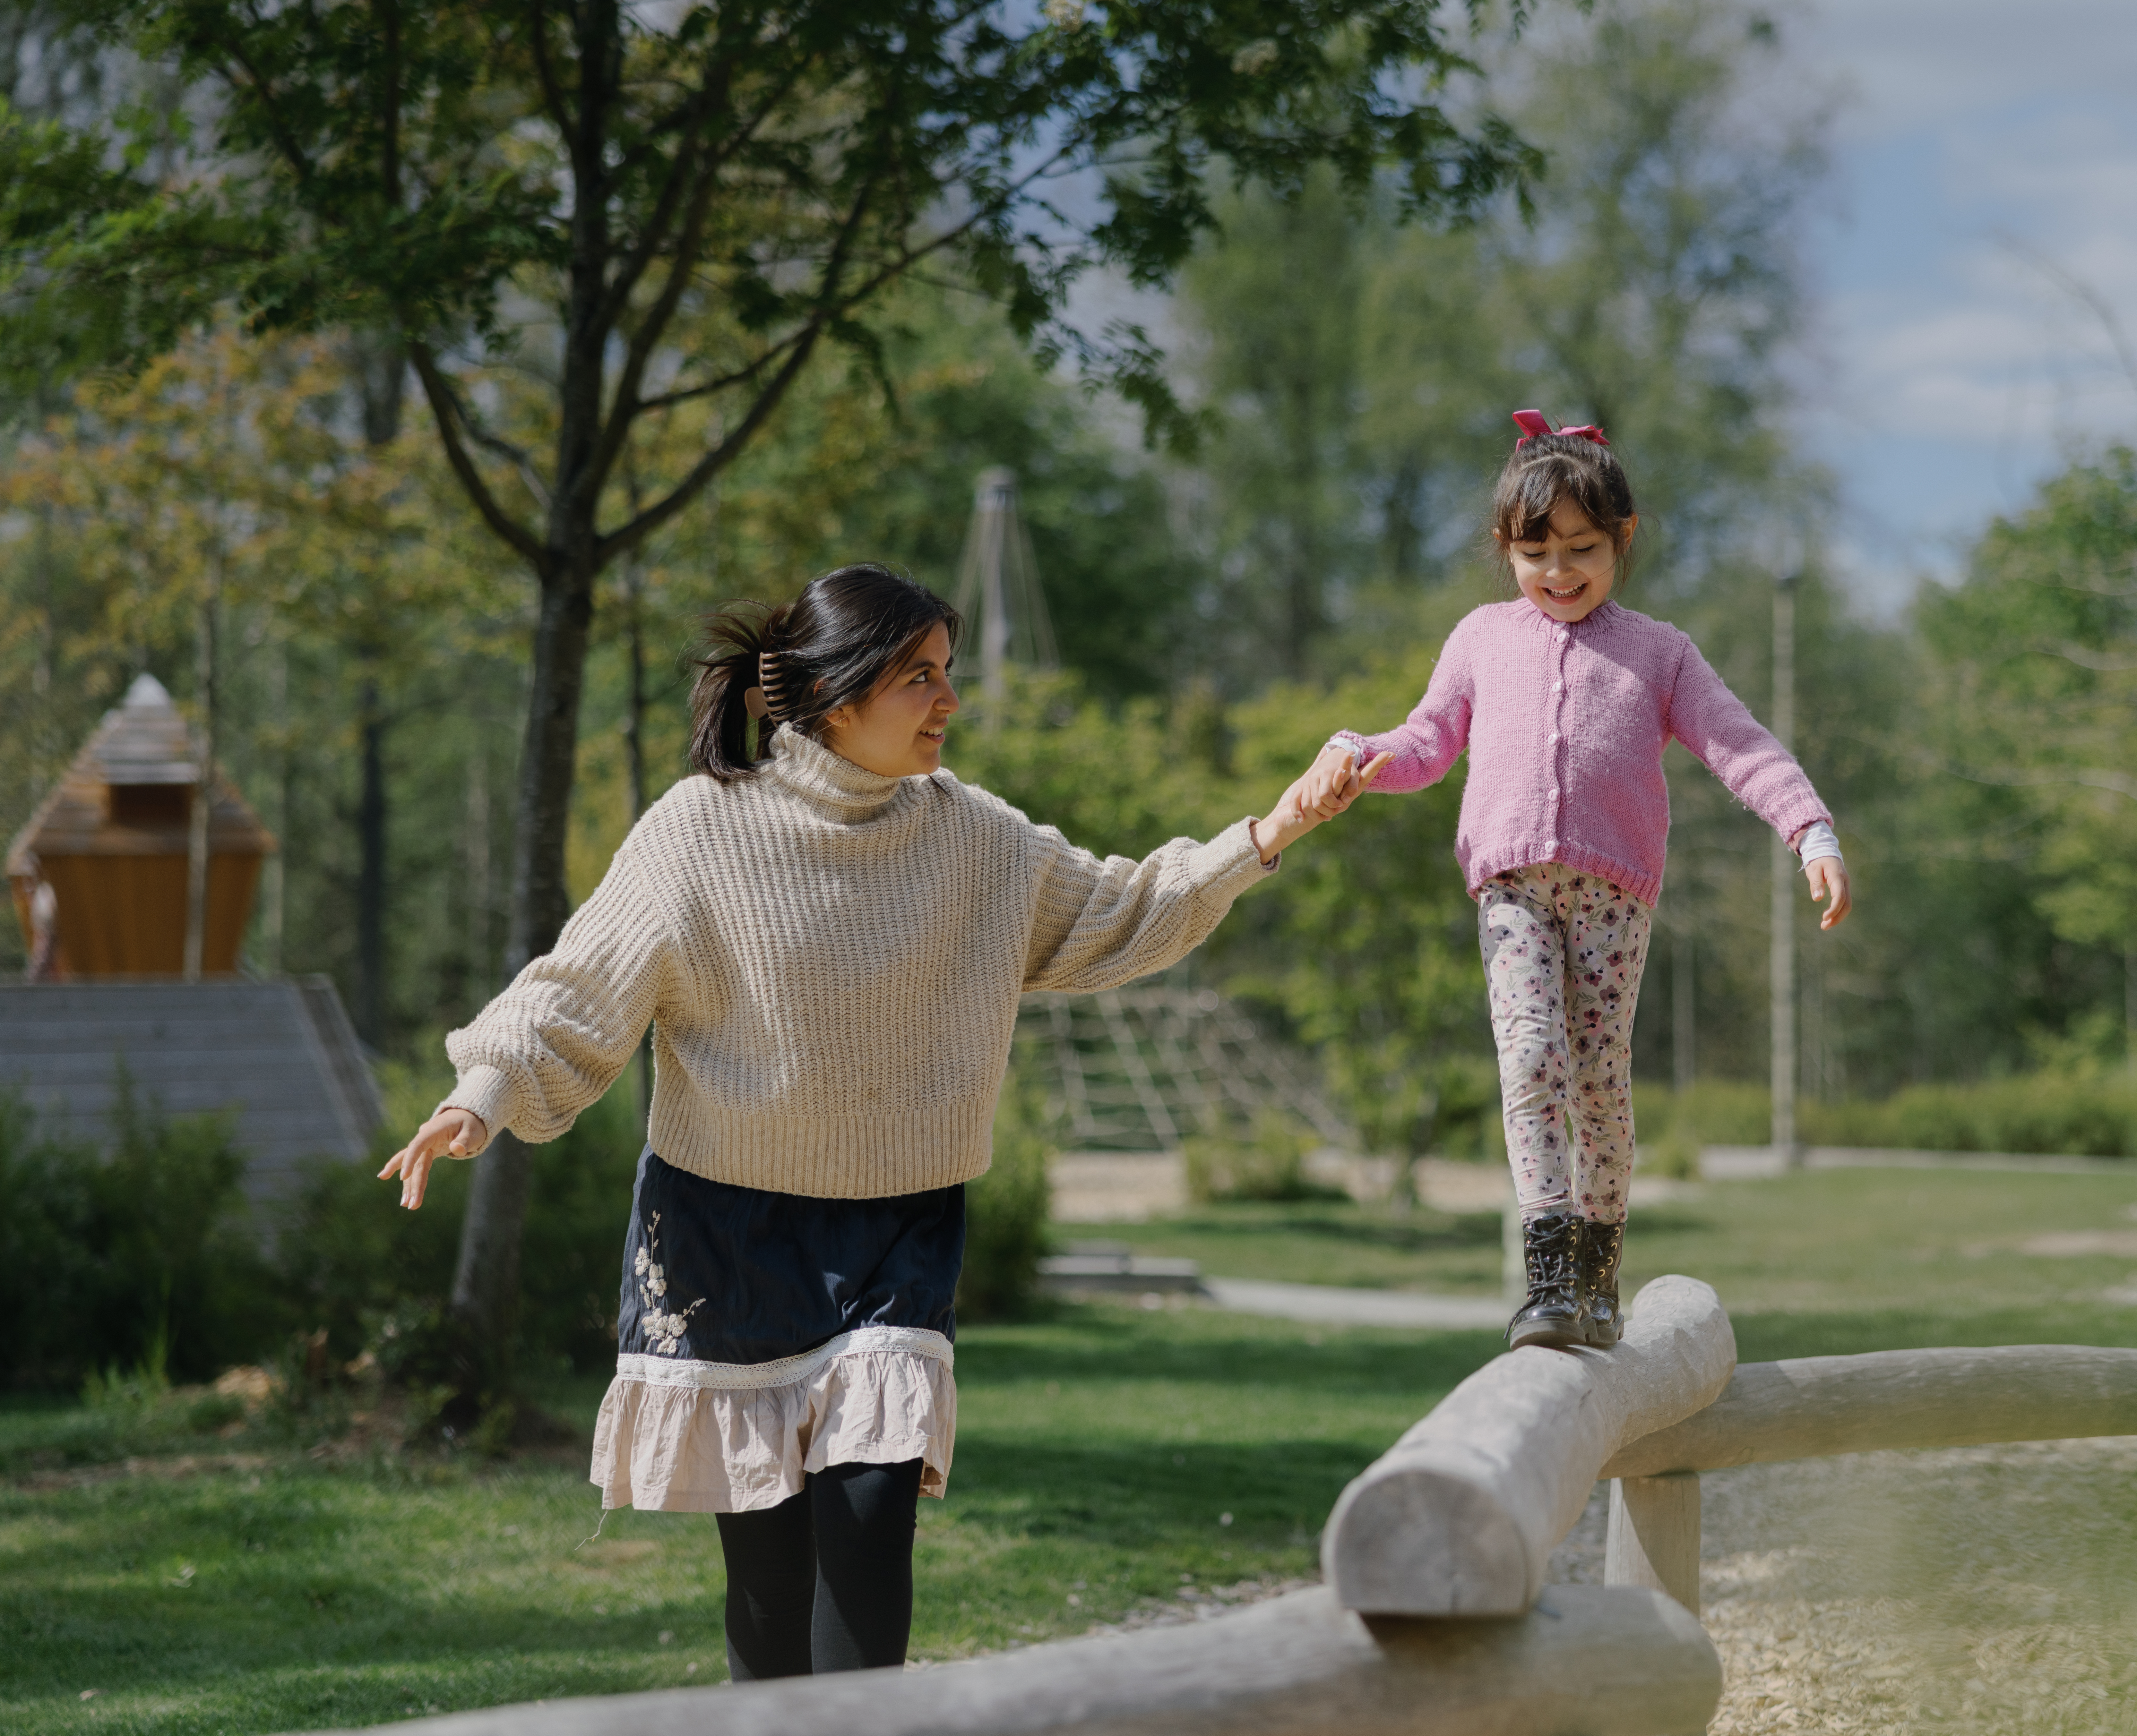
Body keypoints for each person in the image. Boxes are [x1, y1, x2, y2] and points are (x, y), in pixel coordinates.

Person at [380, 564, 1370, 1679]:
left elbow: (1125, 909)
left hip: (898, 1230)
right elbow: (577, 989)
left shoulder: (977, 839)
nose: (948, 701)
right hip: (725, 1231)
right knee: (766, 1577)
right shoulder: (701, 832)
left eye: (948, 675)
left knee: (868, 1530)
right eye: (919, 678)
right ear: (836, 692)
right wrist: (482, 1092)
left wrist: (1272, 829)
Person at [1298, 410, 1853, 1353]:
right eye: (1535, 552)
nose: (1559, 573)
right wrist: (1356, 754)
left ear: (1624, 538)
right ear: (1504, 550)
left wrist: (1809, 828)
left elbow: (1740, 745)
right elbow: (1426, 742)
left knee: (1597, 1081)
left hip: (1613, 896)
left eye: (1583, 550)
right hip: (1511, 887)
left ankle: (1599, 1275)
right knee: (1529, 1055)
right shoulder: (1480, 638)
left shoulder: (1660, 653)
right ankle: (1547, 1272)